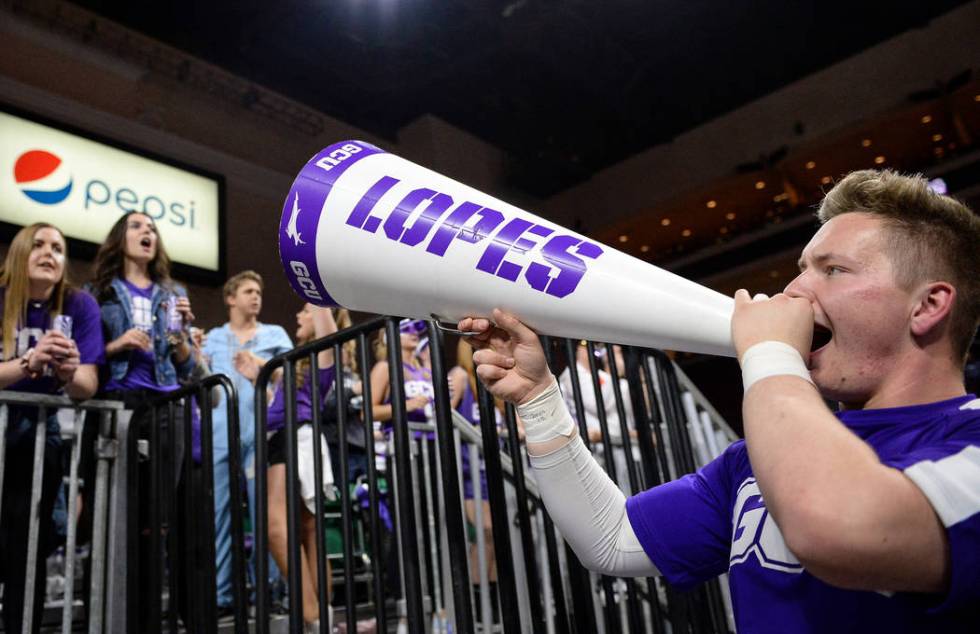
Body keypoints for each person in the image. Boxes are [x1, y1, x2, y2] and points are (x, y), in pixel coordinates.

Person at [460, 170, 980, 632]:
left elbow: (839, 527)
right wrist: (538, 397)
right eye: (801, 268)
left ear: (928, 305)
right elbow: (612, 540)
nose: (794, 290)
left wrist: (772, 356)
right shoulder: (757, 459)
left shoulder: (969, 442)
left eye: (834, 270)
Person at [89, 211, 197, 629]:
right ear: (120, 238)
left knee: (158, 520)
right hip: (122, 404)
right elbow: (87, 357)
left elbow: (188, 370)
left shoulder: (174, 293)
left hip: (167, 406)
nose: (146, 233)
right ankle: (120, 616)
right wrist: (117, 344)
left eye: (152, 228)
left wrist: (182, 338)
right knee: (122, 516)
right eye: (137, 226)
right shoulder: (98, 292)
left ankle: (150, 617)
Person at [0, 223, 103, 633]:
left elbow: (88, 386)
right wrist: (28, 361)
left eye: (58, 248)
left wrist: (67, 372)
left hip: (38, 438)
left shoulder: (79, 304)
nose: (49, 253)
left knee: (28, 551)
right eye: (39, 245)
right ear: (19, 252)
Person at [202, 270, 292, 614]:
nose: (256, 297)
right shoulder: (212, 338)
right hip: (221, 436)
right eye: (248, 291)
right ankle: (223, 596)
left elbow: (295, 372)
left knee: (265, 516)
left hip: (261, 436)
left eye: (259, 291)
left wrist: (261, 364)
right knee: (220, 515)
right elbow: (200, 378)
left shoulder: (275, 334)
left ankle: (267, 593)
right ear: (230, 298)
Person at [265, 304, 337, 633]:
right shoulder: (301, 362)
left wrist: (314, 284)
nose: (297, 315)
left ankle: (312, 615)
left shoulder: (322, 354)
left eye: (304, 311)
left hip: (296, 437)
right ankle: (321, 616)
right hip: (292, 437)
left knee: (277, 527)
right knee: (308, 529)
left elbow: (329, 328)